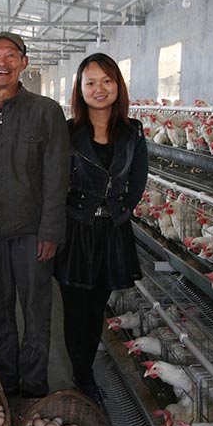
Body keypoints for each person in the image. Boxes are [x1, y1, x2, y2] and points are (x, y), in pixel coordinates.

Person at [0, 32, 70, 398]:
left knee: (36, 307)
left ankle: (33, 384)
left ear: (24, 62)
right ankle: (5, 377)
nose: (2, 62)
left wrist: (50, 231)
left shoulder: (46, 112)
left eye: (11, 55)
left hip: (32, 232)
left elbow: (57, 176)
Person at [54, 53, 148, 403]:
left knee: (96, 310)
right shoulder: (67, 132)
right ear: (79, 89)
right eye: (90, 82)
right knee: (75, 309)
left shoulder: (132, 132)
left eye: (106, 81)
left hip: (112, 232)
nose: (99, 89)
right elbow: (55, 179)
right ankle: (81, 375)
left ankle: (85, 370)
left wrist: (120, 212)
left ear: (117, 86)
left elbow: (138, 179)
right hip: (76, 230)